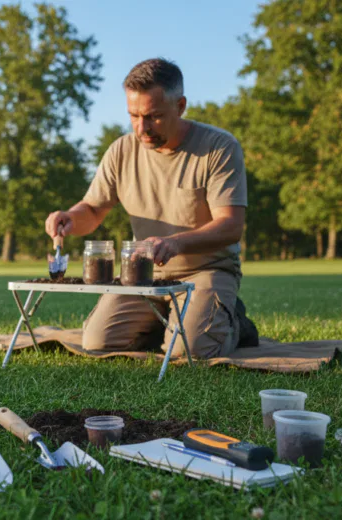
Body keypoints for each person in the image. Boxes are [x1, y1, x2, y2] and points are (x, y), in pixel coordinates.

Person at [45, 58, 257, 358]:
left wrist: (175, 243)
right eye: (133, 115)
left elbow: (231, 225)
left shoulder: (219, 147)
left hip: (206, 271)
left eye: (154, 116)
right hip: (143, 274)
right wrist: (68, 218)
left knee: (191, 350)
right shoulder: (121, 150)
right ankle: (173, 324)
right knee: (96, 342)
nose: (141, 127)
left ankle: (232, 320)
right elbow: (92, 210)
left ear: (180, 106)